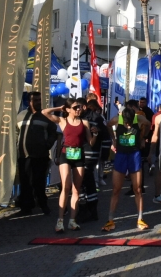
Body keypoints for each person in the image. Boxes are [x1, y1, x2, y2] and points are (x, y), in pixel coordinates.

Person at [43, 99, 95, 233]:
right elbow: (44, 112)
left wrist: (95, 133)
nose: (79, 109)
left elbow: (90, 142)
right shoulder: (62, 121)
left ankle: (72, 220)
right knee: (66, 186)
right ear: (68, 109)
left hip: (78, 155)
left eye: (79, 107)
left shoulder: (84, 123)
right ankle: (60, 221)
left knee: (76, 189)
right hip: (66, 154)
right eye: (75, 107)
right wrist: (58, 108)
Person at [103, 100, 151, 232]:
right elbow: (107, 125)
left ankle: (140, 219)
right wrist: (114, 140)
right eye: (126, 123)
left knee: (138, 189)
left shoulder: (139, 118)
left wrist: (142, 137)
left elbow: (148, 124)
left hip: (134, 155)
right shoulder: (117, 119)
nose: (128, 125)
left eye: (130, 123)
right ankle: (110, 220)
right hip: (121, 156)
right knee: (116, 189)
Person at [16, 91, 58, 216]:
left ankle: (43, 205)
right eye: (35, 100)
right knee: (25, 182)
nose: (38, 102)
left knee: (39, 182)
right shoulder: (20, 116)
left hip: (41, 156)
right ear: (29, 102)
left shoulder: (45, 116)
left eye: (40, 100)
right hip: (24, 156)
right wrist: (16, 146)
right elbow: (15, 132)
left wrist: (47, 144)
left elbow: (53, 133)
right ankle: (26, 207)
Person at [80, 98, 107, 222]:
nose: (77, 110)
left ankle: (90, 209)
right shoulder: (77, 117)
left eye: (78, 107)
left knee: (86, 179)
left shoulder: (96, 118)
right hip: (79, 154)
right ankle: (85, 208)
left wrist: (105, 154)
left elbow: (105, 135)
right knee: (82, 180)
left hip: (90, 153)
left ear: (84, 107)